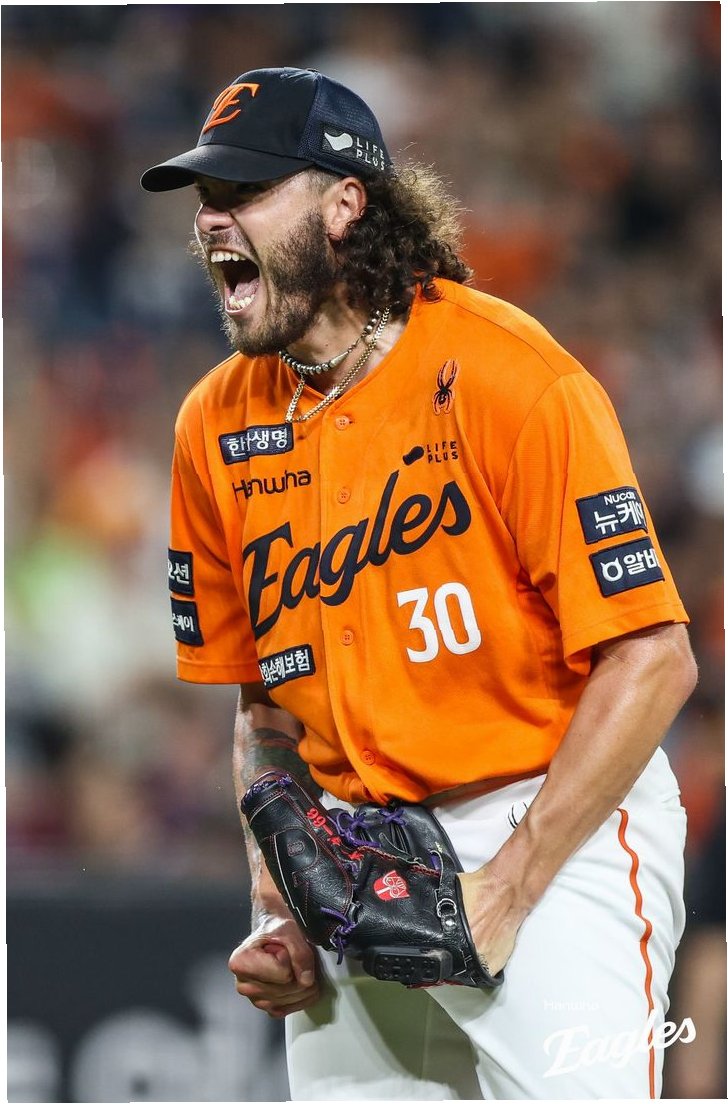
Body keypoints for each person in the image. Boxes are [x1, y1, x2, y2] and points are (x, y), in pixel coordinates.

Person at [142, 66, 697, 1100]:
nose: (212, 219)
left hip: (550, 826)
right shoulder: (213, 424)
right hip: (352, 853)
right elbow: (264, 705)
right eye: (206, 197)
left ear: (344, 205)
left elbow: (654, 658)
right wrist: (277, 896)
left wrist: (510, 886)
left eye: (245, 190)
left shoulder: (507, 374)